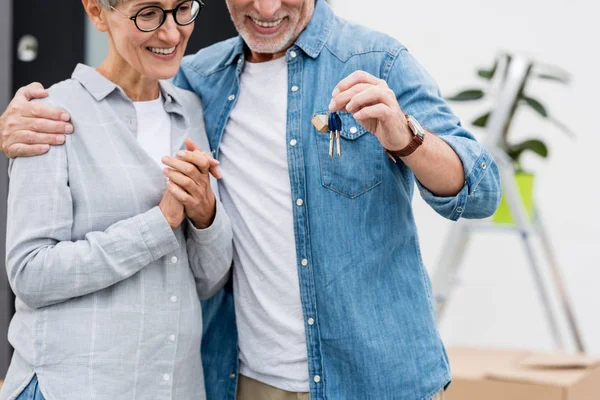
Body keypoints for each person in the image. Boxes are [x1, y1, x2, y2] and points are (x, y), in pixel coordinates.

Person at [0, 0, 502, 399]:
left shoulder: (376, 62)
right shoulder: (199, 81)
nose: (264, 8)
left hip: (374, 381)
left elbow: (482, 193)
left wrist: (406, 138)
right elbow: (119, 88)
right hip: (246, 381)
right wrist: (13, 123)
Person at [0, 0, 233, 399]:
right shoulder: (49, 116)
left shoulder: (192, 111)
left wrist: (205, 213)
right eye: (148, 13)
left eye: (182, 9)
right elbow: (30, 273)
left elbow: (208, 281)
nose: (172, 33)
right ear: (96, 12)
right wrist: (159, 223)